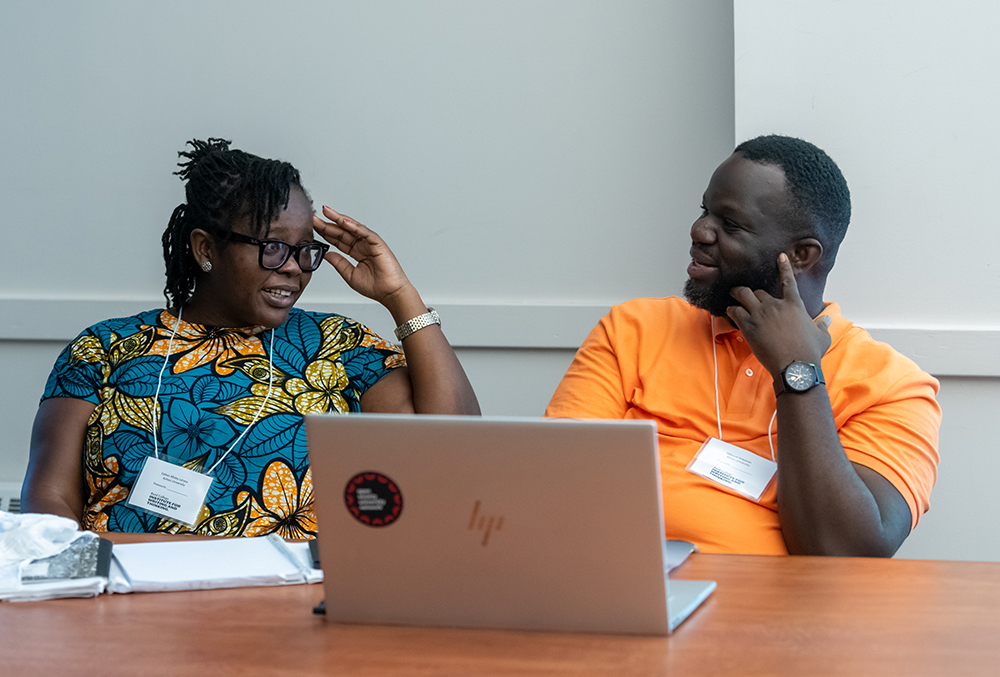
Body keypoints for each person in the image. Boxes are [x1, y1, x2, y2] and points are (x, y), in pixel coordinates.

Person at [22, 138, 480, 537]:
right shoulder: (102, 349)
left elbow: (454, 450)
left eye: (305, 251)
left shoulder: (339, 347)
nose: (294, 267)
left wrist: (401, 297)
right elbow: (50, 498)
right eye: (273, 247)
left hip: (291, 611)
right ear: (206, 249)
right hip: (126, 603)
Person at [545, 135, 940, 556]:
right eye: (704, 211)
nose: (699, 231)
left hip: (779, 616)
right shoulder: (633, 329)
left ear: (802, 255)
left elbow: (845, 555)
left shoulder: (893, 387)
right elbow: (555, 485)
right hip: (618, 584)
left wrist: (796, 370)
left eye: (730, 224)